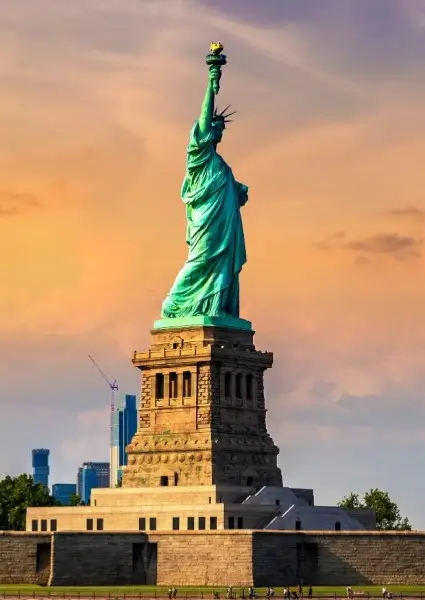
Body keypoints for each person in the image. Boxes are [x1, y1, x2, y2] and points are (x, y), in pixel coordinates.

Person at [161, 61, 248, 320]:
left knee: (220, 265)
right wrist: (212, 83)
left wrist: (237, 191)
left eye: (221, 129)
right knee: (201, 260)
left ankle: (217, 308)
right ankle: (174, 303)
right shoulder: (198, 155)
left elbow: (228, 190)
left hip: (223, 224)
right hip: (206, 224)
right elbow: (203, 117)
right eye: (214, 127)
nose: (218, 132)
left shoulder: (219, 164)